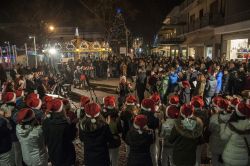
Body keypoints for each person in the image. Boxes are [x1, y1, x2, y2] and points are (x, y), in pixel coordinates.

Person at [42, 99, 77, 166]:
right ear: (62, 109)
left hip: (53, 153)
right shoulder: (66, 124)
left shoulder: (46, 122)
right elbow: (72, 137)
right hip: (66, 155)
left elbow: (45, 139)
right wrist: (73, 126)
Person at [220, 101, 250, 166]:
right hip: (243, 158)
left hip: (229, 155)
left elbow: (223, 138)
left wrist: (222, 126)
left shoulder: (231, 124)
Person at [209, 98, 232, 166]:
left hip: (216, 143)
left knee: (215, 160)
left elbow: (210, 129)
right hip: (228, 144)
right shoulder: (232, 117)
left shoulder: (214, 117)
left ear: (218, 107)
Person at [102, 96, 122, 166]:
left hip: (105, 140)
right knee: (115, 158)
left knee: (107, 157)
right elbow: (120, 129)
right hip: (115, 140)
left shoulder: (102, 113)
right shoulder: (117, 114)